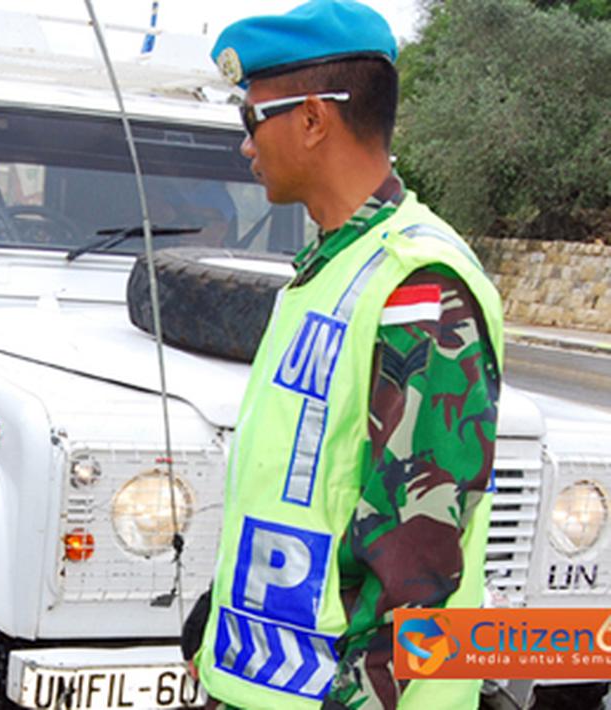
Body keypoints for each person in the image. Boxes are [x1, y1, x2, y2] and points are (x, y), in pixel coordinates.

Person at [181, 2, 504, 709]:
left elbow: (417, 558)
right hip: (265, 685)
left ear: (311, 119)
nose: (244, 145)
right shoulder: (330, 268)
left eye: (250, 119)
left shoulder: (416, 284)